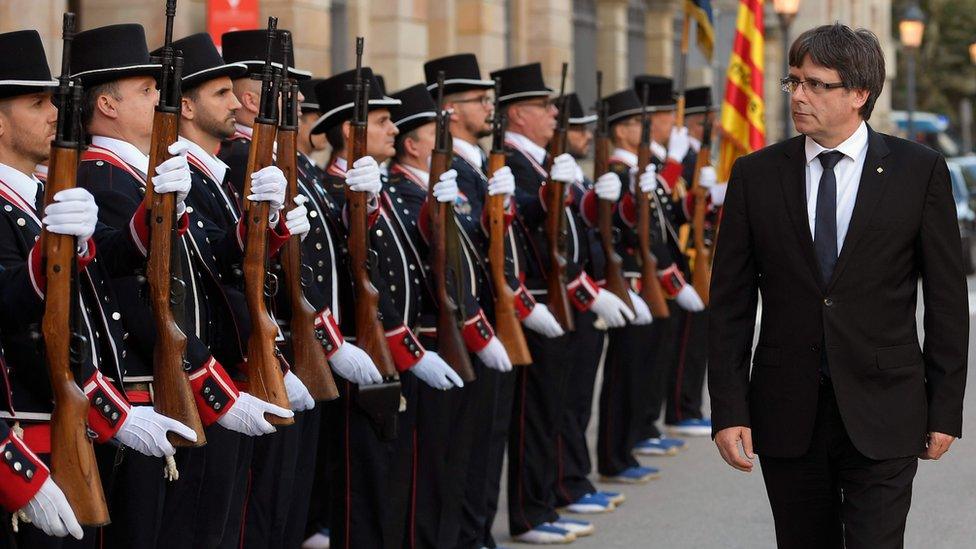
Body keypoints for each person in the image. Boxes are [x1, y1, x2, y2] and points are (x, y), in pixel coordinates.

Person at [709, 24, 968, 549]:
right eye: (794, 81)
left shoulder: (918, 172)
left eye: (817, 84)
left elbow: (946, 300)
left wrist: (945, 408)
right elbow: (730, 305)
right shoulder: (756, 175)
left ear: (859, 94)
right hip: (787, 411)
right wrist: (729, 409)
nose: (799, 95)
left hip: (887, 408)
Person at [490, 62, 634, 545]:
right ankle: (532, 511)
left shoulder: (539, 159)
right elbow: (530, 233)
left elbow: (570, 229)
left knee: (555, 408)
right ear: (516, 115)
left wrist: (592, 198)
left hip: (562, 300)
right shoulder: (512, 161)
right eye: (542, 105)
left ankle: (548, 500)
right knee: (537, 415)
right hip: (539, 303)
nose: (555, 113)